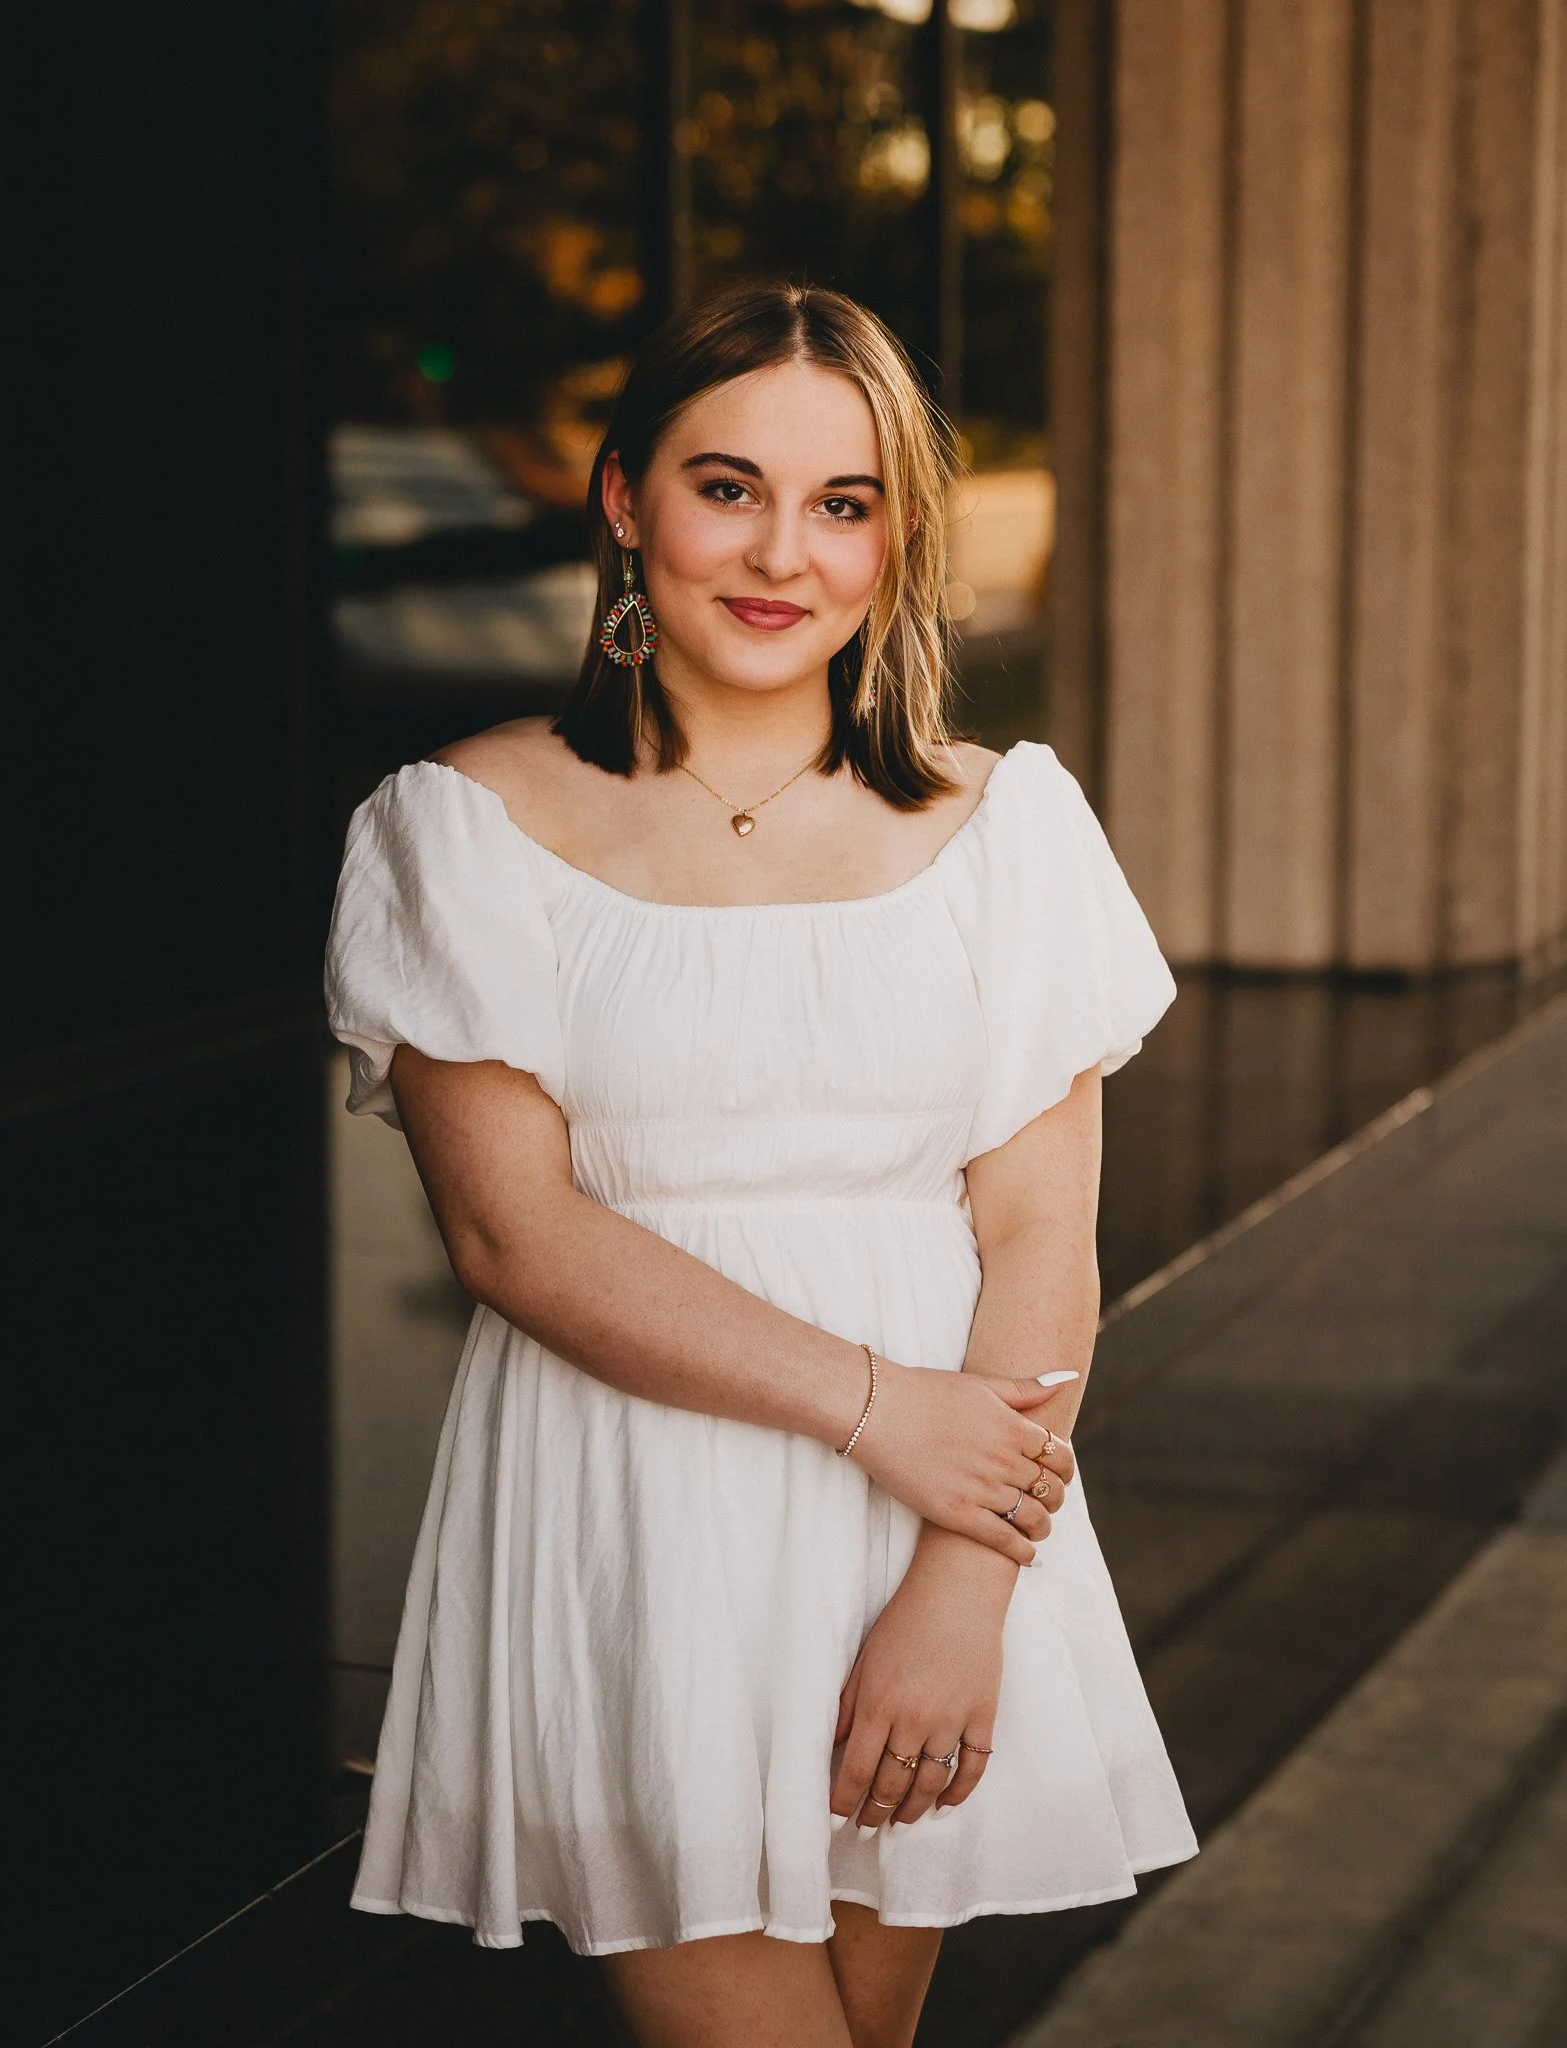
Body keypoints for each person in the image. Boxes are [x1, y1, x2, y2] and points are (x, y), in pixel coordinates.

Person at [324, 280, 1198, 2048]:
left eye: (842, 502)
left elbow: (1036, 1232)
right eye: (727, 487)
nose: (778, 551)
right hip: (638, 1510)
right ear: (624, 498)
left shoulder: (1003, 829)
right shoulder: (464, 824)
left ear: (895, 542)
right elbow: (513, 1235)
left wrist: (962, 1586)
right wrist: (884, 1408)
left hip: (938, 1529)